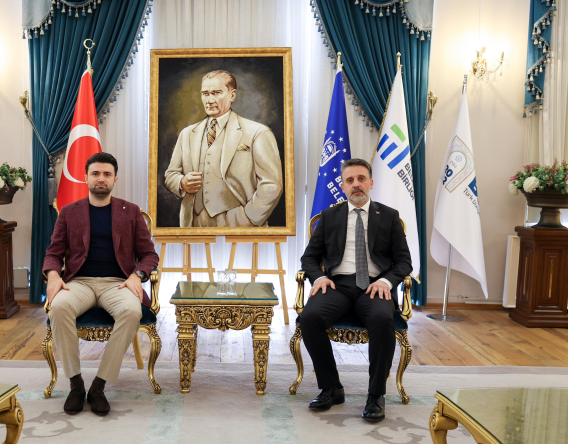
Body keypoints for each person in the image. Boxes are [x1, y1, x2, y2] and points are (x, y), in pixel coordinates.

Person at [42, 152, 159, 416]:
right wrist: (53, 274)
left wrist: (137, 275)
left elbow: (149, 255)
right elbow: (53, 253)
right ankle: (75, 385)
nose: (101, 178)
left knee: (132, 311)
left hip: (118, 283)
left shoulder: (130, 212)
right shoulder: (69, 212)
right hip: (79, 282)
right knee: (59, 307)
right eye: (95, 173)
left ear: (115, 179)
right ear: (86, 178)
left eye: (107, 174)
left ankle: (98, 385)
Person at [300, 158, 412, 421]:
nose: (356, 184)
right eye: (350, 180)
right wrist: (319, 277)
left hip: (374, 286)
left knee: (383, 319)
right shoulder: (329, 217)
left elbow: (404, 262)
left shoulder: (389, 217)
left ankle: (376, 395)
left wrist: (386, 282)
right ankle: (331, 388)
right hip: (337, 285)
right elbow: (309, 258)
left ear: (371, 183)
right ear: (343, 186)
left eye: (361, 179)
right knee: (309, 318)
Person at [164, 70, 283, 227]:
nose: (209, 100)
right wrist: (181, 182)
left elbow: (271, 184)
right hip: (194, 223)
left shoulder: (257, 132)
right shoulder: (187, 134)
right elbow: (170, 175)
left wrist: (248, 218)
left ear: (232, 95)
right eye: (205, 94)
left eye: (216, 93)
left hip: (240, 223)